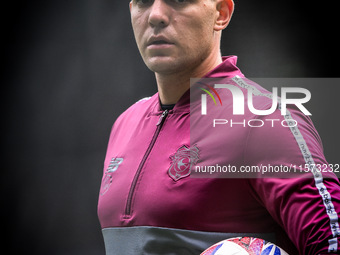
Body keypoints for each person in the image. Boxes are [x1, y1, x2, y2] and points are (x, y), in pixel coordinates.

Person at [97, 0, 340, 254]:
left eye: (179, 0)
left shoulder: (264, 120)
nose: (155, 15)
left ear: (221, 14)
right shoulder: (124, 124)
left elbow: (332, 242)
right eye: (144, 2)